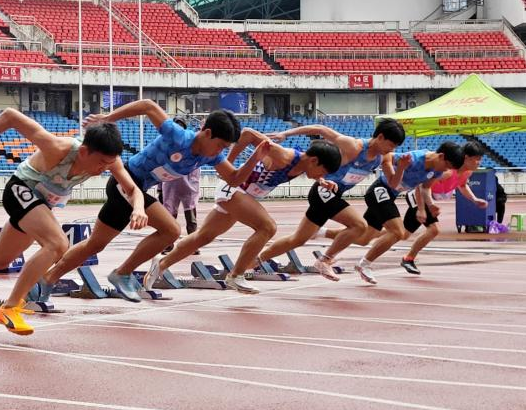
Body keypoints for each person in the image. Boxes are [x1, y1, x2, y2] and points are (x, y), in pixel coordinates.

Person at [0, 111, 145, 335]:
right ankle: (10, 307)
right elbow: (10, 116)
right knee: (58, 244)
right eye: (100, 163)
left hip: (39, 204)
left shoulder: (110, 161)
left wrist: (138, 208)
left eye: (108, 164)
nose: (103, 169)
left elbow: (132, 190)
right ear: (83, 151)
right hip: (19, 190)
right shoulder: (57, 147)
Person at [43, 101, 261, 300]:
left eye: (224, 148)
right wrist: (107, 118)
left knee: (95, 245)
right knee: (171, 230)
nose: (220, 151)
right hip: (126, 182)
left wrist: (256, 156)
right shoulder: (178, 136)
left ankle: (47, 279)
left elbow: (234, 179)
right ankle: (122, 273)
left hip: (137, 189)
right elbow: (148, 105)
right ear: (207, 133)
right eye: (220, 145)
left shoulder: (210, 156)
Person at [146, 138, 343, 293]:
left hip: (241, 194)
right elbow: (247, 134)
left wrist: (321, 181)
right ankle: (236, 275)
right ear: (314, 160)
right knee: (267, 227)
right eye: (323, 171)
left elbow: (308, 170)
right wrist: (229, 165)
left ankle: (161, 264)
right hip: (235, 189)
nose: (322, 175)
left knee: (203, 236)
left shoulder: (303, 164)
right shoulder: (284, 155)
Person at [257, 119, 407, 281]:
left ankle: (256, 260)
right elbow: (320, 129)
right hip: (323, 190)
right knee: (359, 225)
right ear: (380, 137)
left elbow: (393, 184)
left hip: (333, 195)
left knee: (298, 239)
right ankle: (325, 260)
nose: (392, 149)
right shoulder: (354, 146)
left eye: (395, 147)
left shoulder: (383, 157)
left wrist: (401, 168)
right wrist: (285, 133)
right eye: (391, 145)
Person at [349, 141, 470, 284]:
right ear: (441, 156)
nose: (446, 171)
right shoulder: (415, 158)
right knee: (398, 232)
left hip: (391, 195)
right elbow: (387, 157)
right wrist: (395, 172)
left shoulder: (437, 170)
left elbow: (425, 188)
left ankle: (327, 234)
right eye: (447, 166)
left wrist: (431, 205)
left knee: (364, 237)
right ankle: (364, 264)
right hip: (380, 190)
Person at [400, 145, 486, 274]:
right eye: (477, 159)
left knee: (402, 234)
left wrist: (474, 199)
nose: (479, 162)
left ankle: (375, 233)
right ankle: (408, 259)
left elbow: (462, 185)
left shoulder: (467, 172)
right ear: (466, 158)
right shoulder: (448, 172)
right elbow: (421, 186)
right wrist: (422, 209)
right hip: (419, 198)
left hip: (428, 201)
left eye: (481, 159)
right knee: (434, 230)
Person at [160, 118, 201, 253]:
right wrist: (159, 187)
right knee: (169, 215)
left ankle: (192, 245)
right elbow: (159, 164)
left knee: (191, 216)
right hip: (170, 184)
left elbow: (198, 164)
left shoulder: (192, 144)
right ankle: (168, 244)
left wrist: (194, 184)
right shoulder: (165, 144)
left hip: (189, 185)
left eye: (180, 126)